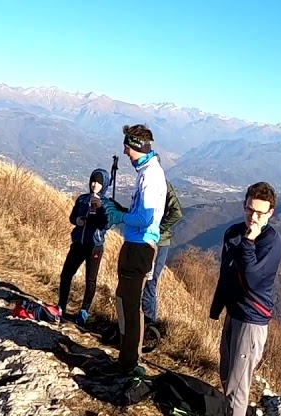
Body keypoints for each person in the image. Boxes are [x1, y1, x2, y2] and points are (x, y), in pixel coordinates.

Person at [197, 181, 281, 416]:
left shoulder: (271, 242)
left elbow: (253, 276)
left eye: (260, 212)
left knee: (238, 384)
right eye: (249, 209)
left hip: (253, 320)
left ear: (271, 213)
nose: (253, 217)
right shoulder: (233, 233)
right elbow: (227, 273)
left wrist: (249, 240)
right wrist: (217, 305)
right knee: (225, 372)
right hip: (234, 314)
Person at [101, 124, 166, 375]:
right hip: (136, 244)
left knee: (129, 304)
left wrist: (119, 216)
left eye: (127, 146)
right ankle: (127, 357)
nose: (125, 151)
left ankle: (129, 362)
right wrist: (122, 211)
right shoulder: (147, 171)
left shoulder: (150, 175)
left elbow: (145, 218)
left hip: (140, 247)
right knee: (124, 300)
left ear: (137, 146)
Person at [55, 167, 113, 324]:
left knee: (90, 280)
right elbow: (72, 217)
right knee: (66, 274)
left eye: (99, 183)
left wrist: (100, 208)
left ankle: (84, 311)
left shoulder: (107, 204)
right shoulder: (82, 199)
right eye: (93, 181)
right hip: (78, 243)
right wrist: (77, 221)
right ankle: (61, 306)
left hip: (95, 245)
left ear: (104, 185)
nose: (94, 185)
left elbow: (106, 224)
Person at [141, 181, 184, 331]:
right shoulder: (150, 182)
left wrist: (158, 229)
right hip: (149, 240)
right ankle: (145, 324)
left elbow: (176, 212)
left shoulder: (162, 185)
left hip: (158, 243)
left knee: (149, 281)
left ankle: (149, 325)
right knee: (146, 281)